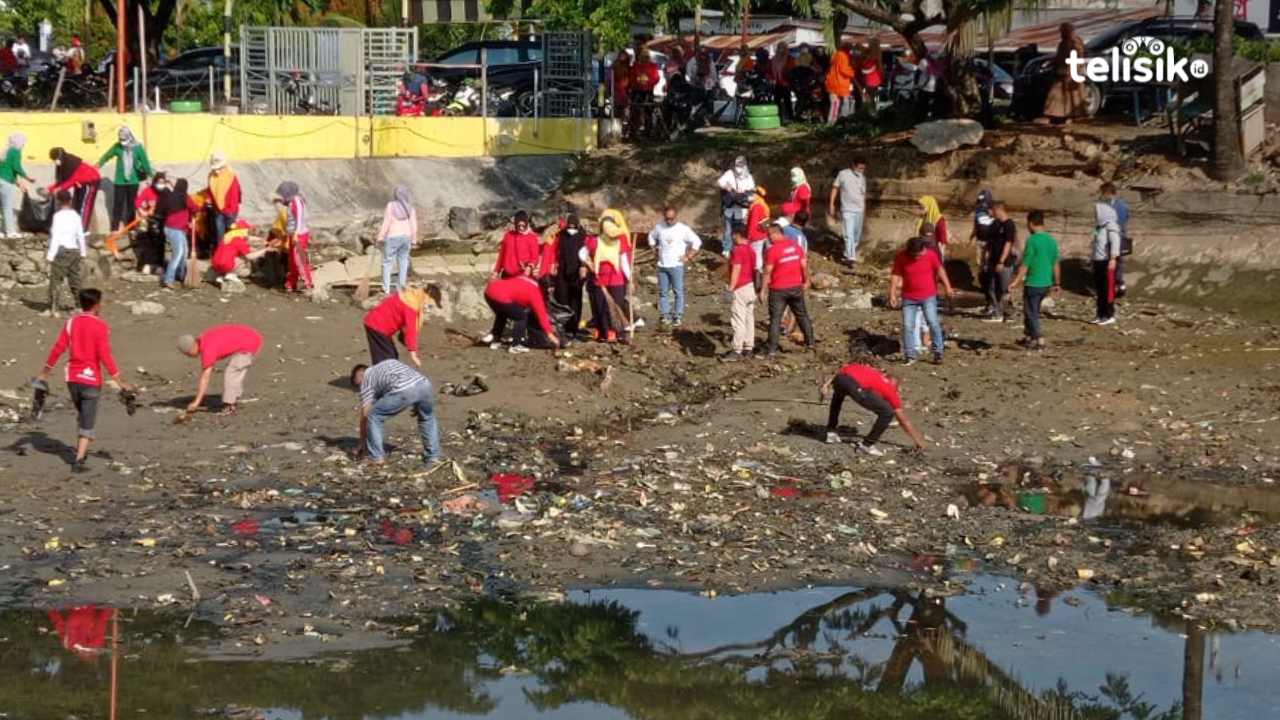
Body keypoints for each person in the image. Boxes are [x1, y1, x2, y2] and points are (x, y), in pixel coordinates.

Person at [37, 288, 134, 472]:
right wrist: (120, 381)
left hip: (72, 378)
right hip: (91, 380)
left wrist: (45, 371)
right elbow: (105, 355)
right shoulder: (101, 326)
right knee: (88, 419)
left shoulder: (71, 322)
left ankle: (82, 447)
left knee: (82, 414)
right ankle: (79, 460)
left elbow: (59, 347)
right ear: (96, 305)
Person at [350, 360, 443, 467]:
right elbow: (408, 378)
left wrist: (362, 443)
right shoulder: (389, 363)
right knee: (427, 418)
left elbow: (365, 415)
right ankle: (433, 457)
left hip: (404, 390)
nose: (360, 390)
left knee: (373, 416)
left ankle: (375, 457)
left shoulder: (366, 379)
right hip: (424, 385)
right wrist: (416, 402)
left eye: (358, 385)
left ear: (359, 376)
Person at [821, 363, 926, 456]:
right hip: (855, 386)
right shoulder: (890, 389)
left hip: (840, 379)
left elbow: (843, 369)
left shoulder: (870, 372)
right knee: (887, 413)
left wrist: (826, 385)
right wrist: (918, 440)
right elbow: (903, 420)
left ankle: (831, 432)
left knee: (837, 398)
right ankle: (867, 444)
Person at [890, 236, 953, 365]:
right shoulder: (901, 257)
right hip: (909, 297)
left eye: (921, 253)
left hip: (928, 295)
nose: (919, 256)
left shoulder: (931, 255)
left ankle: (938, 352)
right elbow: (896, 275)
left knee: (933, 322)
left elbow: (940, 270)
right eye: (917, 255)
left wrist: (947, 286)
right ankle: (910, 355)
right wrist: (892, 294)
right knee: (908, 326)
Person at [176, 324, 263, 416]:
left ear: (192, 348)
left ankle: (229, 406)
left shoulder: (207, 350)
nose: (189, 356)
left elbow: (205, 378)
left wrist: (196, 402)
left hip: (249, 343)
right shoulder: (204, 339)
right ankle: (233, 398)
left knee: (232, 372)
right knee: (235, 370)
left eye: (188, 354)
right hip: (251, 337)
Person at [1008, 210, 1060, 350]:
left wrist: (1015, 281)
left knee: (1031, 312)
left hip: (1033, 282)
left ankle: (1039, 339)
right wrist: (1057, 283)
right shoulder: (1051, 241)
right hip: (1046, 283)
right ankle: (1029, 336)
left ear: (1031, 223)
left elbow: (1026, 264)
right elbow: (1055, 263)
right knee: (1032, 311)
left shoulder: (1032, 241)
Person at [761, 222, 814, 356]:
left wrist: (763, 290)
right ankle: (810, 343)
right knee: (802, 315)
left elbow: (767, 272)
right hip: (796, 287)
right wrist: (806, 280)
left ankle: (772, 349)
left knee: (775, 319)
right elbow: (804, 265)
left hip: (778, 289)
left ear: (776, 234)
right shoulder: (795, 246)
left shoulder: (772, 250)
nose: (768, 238)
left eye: (769, 235)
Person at [581, 209, 633, 344]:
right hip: (600, 278)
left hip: (616, 279)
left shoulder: (619, 242)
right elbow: (582, 253)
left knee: (617, 305)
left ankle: (616, 331)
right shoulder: (594, 242)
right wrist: (588, 262)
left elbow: (624, 262)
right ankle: (604, 331)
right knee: (602, 306)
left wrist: (630, 279)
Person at [647, 206, 701, 327]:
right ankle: (665, 315)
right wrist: (653, 248)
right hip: (662, 265)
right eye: (667, 219)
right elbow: (651, 237)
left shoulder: (683, 229)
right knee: (663, 292)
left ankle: (677, 316)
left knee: (678, 291)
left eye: (672, 218)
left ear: (676, 217)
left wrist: (688, 256)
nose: (669, 221)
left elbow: (697, 242)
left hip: (676, 265)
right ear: (664, 217)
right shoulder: (659, 227)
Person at [481, 274, 561, 353]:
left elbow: (517, 288)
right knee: (521, 316)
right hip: (500, 295)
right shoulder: (536, 294)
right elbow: (542, 316)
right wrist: (551, 335)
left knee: (503, 313)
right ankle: (515, 345)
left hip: (489, 291)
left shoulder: (528, 279)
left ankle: (495, 340)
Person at [96, 127, 152, 237]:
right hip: (119, 181)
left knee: (132, 205)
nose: (123, 143)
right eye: (121, 140)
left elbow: (145, 163)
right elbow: (107, 156)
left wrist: (151, 175)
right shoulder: (117, 147)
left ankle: (131, 228)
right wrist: (98, 165)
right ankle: (114, 228)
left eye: (124, 140)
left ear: (130, 137)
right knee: (118, 204)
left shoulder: (138, 148)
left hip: (133, 181)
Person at [363, 287, 428, 366]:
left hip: (377, 325)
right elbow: (410, 330)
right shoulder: (411, 305)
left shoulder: (408, 296)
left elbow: (404, 325)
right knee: (386, 358)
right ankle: (379, 376)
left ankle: (382, 374)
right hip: (377, 326)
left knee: (390, 356)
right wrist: (413, 354)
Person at [45, 190, 86, 316]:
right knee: (75, 280)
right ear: (70, 200)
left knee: (56, 280)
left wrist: (50, 256)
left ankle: (53, 309)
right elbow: (80, 235)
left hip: (61, 251)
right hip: (74, 251)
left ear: (58, 201)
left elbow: (56, 237)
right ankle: (79, 306)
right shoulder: (76, 216)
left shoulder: (57, 216)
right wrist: (83, 252)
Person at [1040, 23, 1086, 124]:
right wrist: (1053, 65)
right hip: (1061, 73)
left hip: (1071, 73)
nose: (1061, 34)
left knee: (1073, 96)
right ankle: (1055, 115)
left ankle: (1073, 116)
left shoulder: (1076, 42)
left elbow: (1079, 57)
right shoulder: (1062, 43)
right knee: (1056, 94)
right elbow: (1059, 57)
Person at [552, 213, 589, 339]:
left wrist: (584, 267)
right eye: (569, 226)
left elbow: (586, 253)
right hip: (562, 271)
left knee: (575, 300)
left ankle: (573, 327)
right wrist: (554, 264)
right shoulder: (561, 235)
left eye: (573, 226)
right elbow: (556, 251)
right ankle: (563, 326)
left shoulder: (583, 236)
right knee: (562, 299)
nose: (571, 229)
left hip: (577, 272)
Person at [374, 185, 417, 294]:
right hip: (406, 237)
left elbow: (386, 222)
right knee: (403, 261)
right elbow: (413, 225)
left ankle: (386, 288)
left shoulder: (391, 205)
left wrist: (380, 237)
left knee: (387, 262)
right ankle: (401, 288)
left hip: (393, 236)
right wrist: (414, 239)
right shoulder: (410, 207)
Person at [47, 148, 100, 231]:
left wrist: (59, 189)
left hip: (90, 181)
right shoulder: (63, 164)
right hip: (80, 183)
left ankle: (83, 230)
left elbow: (71, 180)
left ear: (59, 157)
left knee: (85, 206)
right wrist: (50, 189)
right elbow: (61, 180)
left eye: (55, 160)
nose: (55, 162)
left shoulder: (72, 164)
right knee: (77, 204)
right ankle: (76, 227)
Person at [982, 202, 1018, 322]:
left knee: (1003, 288)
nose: (989, 213)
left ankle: (1008, 313)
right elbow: (989, 243)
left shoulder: (1009, 225)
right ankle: (997, 313)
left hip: (1005, 262)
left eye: (991, 210)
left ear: (998, 210)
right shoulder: (995, 224)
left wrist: (1001, 261)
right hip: (992, 261)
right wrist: (985, 259)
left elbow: (1008, 243)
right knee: (991, 287)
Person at [724, 225, 756, 361]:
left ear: (737, 235)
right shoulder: (751, 250)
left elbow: (736, 268)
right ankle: (749, 347)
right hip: (750, 285)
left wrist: (731, 288)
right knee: (749, 318)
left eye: (733, 235)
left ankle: (737, 349)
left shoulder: (737, 250)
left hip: (740, 287)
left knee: (738, 319)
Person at [274, 181, 312, 292]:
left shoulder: (296, 201)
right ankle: (292, 282)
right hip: (292, 234)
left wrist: (295, 233)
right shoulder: (291, 202)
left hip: (299, 235)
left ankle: (307, 283)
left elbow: (299, 218)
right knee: (292, 260)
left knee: (299, 259)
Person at [159, 178, 198, 289]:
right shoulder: (185, 197)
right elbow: (195, 208)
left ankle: (181, 275)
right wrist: (193, 214)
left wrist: (188, 220)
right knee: (178, 254)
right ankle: (168, 279)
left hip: (172, 228)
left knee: (184, 252)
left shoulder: (172, 196)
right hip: (176, 230)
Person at [829, 157, 867, 266]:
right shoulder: (842, 174)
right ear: (853, 166)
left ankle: (847, 253)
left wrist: (864, 208)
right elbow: (835, 188)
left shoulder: (862, 178)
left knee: (856, 235)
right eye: (860, 168)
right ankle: (851, 257)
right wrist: (831, 204)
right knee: (848, 233)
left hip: (859, 209)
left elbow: (863, 194)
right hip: (847, 209)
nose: (861, 170)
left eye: (863, 169)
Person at [717, 156, 755, 255]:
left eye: (741, 165)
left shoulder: (749, 177)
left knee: (739, 229)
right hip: (729, 207)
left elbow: (752, 192)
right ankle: (727, 249)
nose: (739, 168)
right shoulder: (730, 173)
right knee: (728, 230)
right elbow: (720, 182)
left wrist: (744, 194)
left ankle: (739, 247)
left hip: (741, 209)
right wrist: (728, 187)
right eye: (737, 165)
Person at [1091, 200, 1121, 326]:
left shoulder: (1111, 225)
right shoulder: (1098, 227)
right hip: (1098, 261)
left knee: (1107, 289)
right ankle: (1100, 314)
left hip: (1107, 262)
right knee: (1099, 290)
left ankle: (1109, 314)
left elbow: (1115, 242)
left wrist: (1113, 259)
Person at [210, 218, 265, 283]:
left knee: (232, 255)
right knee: (246, 268)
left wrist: (261, 241)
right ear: (243, 230)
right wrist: (265, 250)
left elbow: (247, 240)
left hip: (216, 265)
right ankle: (231, 274)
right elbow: (249, 256)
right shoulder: (239, 240)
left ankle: (221, 275)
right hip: (227, 265)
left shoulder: (227, 236)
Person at [0, 133, 33, 239]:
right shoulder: (15, 152)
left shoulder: (4, 152)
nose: (23, 145)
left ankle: (1, 232)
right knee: (7, 207)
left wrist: (19, 184)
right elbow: (16, 167)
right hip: (6, 183)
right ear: (19, 143)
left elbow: (7, 171)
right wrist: (27, 177)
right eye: (23, 143)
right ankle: (10, 232)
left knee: (1, 207)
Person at [133, 172, 167, 272]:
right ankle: (146, 265)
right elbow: (137, 202)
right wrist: (141, 211)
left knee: (160, 244)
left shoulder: (166, 192)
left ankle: (158, 266)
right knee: (147, 244)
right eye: (159, 182)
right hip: (149, 220)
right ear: (155, 182)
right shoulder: (148, 191)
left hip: (162, 221)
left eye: (163, 182)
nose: (161, 184)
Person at [1102, 182, 1131, 296]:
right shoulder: (1122, 205)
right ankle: (1118, 285)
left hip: (1114, 238)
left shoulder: (1116, 206)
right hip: (1118, 237)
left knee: (1112, 262)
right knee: (1118, 263)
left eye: (1103, 194)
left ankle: (1115, 286)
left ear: (1107, 193)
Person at [492, 210, 540, 279]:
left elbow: (535, 257)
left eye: (523, 226)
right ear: (515, 224)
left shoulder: (532, 237)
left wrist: (530, 267)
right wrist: (496, 271)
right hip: (507, 275)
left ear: (527, 224)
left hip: (523, 275)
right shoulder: (508, 236)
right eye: (519, 225)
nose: (521, 228)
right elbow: (501, 255)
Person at [206, 152, 241, 246]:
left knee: (230, 233)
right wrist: (209, 200)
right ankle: (221, 252)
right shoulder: (211, 176)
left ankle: (231, 252)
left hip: (230, 210)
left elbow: (236, 194)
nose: (217, 170)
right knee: (219, 234)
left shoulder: (231, 176)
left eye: (219, 168)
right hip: (218, 210)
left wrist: (231, 210)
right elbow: (210, 190)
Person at [825, 41, 855, 125]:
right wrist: (852, 72)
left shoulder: (835, 55)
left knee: (835, 103)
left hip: (832, 83)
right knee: (843, 104)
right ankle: (835, 122)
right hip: (840, 84)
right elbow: (843, 69)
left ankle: (832, 122)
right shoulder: (844, 56)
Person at [745, 187, 770, 276]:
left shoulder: (756, 207)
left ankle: (757, 272)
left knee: (757, 254)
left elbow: (753, 223)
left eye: (751, 194)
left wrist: (749, 237)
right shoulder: (763, 204)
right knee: (761, 254)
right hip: (763, 233)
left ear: (757, 195)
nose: (749, 196)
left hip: (756, 235)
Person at [857, 39, 884, 112]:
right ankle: (873, 42)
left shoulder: (869, 62)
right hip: (872, 80)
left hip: (873, 80)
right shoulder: (870, 62)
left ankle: (874, 42)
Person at [611, 52, 632, 120]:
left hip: (620, 92)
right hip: (622, 92)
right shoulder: (627, 68)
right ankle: (621, 124)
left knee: (618, 110)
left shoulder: (615, 66)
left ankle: (618, 124)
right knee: (621, 110)